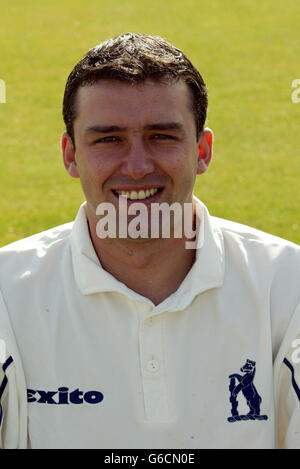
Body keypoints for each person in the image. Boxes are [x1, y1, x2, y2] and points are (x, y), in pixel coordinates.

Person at [0, 33, 299, 450]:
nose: (138, 167)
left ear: (203, 150)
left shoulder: (288, 284)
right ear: (70, 155)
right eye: (108, 139)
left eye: (162, 136)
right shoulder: (7, 294)